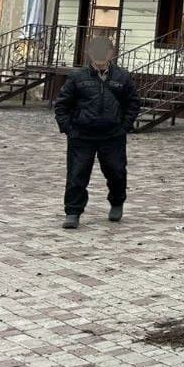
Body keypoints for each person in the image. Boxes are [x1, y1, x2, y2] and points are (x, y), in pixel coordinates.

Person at [54, 36, 140, 229]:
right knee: (77, 174)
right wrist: (68, 128)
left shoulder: (122, 77)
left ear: (111, 53)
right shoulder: (77, 77)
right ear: (90, 53)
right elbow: (62, 105)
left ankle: (117, 202)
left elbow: (133, 103)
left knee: (116, 172)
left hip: (112, 135)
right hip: (82, 135)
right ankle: (73, 212)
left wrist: (124, 126)